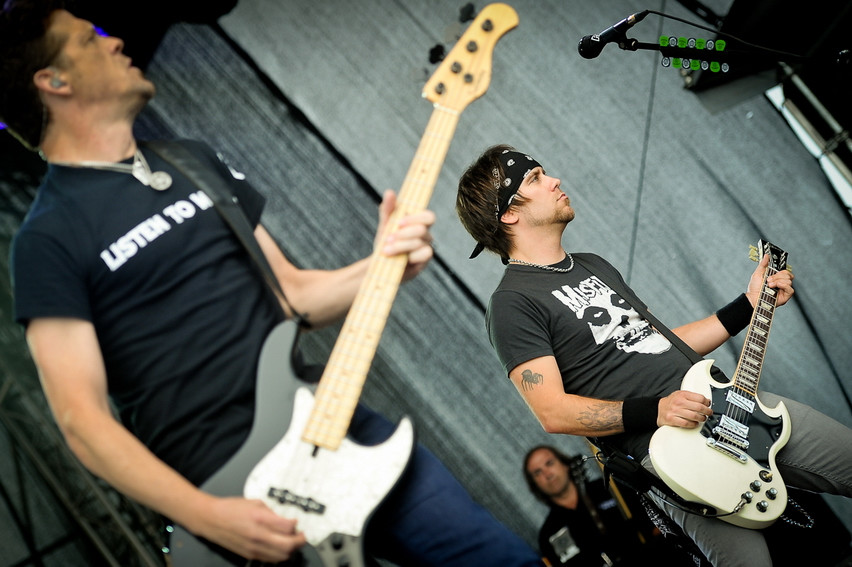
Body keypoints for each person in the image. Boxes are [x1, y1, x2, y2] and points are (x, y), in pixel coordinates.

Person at [0, 3, 545, 565]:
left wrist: (382, 265)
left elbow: (294, 296)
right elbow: (81, 420)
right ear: (54, 80)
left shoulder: (190, 162)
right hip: (230, 492)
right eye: (90, 39)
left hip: (330, 424)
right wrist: (205, 515)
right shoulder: (46, 239)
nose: (113, 40)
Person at [455, 144, 852, 567]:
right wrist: (655, 410)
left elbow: (659, 343)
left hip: (728, 409)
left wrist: (748, 304)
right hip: (673, 455)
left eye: (544, 173)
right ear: (509, 214)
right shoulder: (512, 303)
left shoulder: (592, 264)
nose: (554, 180)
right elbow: (552, 411)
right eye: (534, 179)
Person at [523, 445, 643, 567]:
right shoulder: (548, 534)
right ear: (534, 484)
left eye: (549, 463)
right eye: (538, 472)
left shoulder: (609, 489)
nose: (547, 474)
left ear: (565, 465)